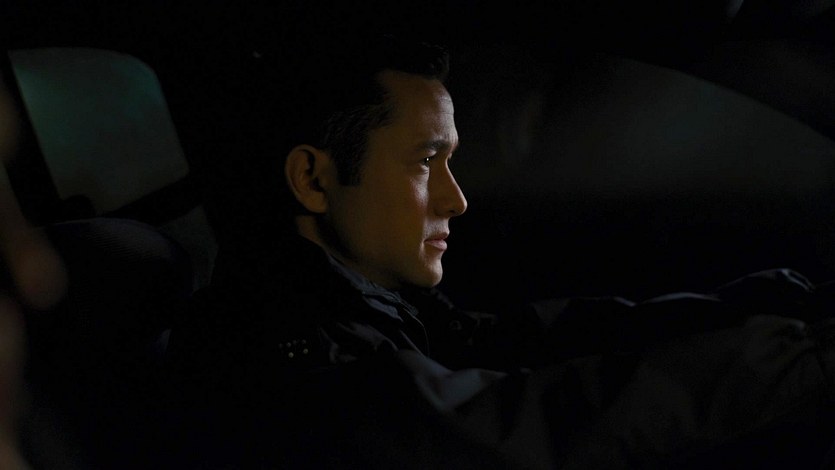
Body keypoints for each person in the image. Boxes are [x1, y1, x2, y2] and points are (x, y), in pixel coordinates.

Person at [161, 32, 835, 469]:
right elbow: (512, 420)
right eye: (426, 162)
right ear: (313, 179)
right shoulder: (279, 350)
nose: (455, 200)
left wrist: (772, 303)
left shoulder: (361, 306)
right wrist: (801, 361)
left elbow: (531, 339)